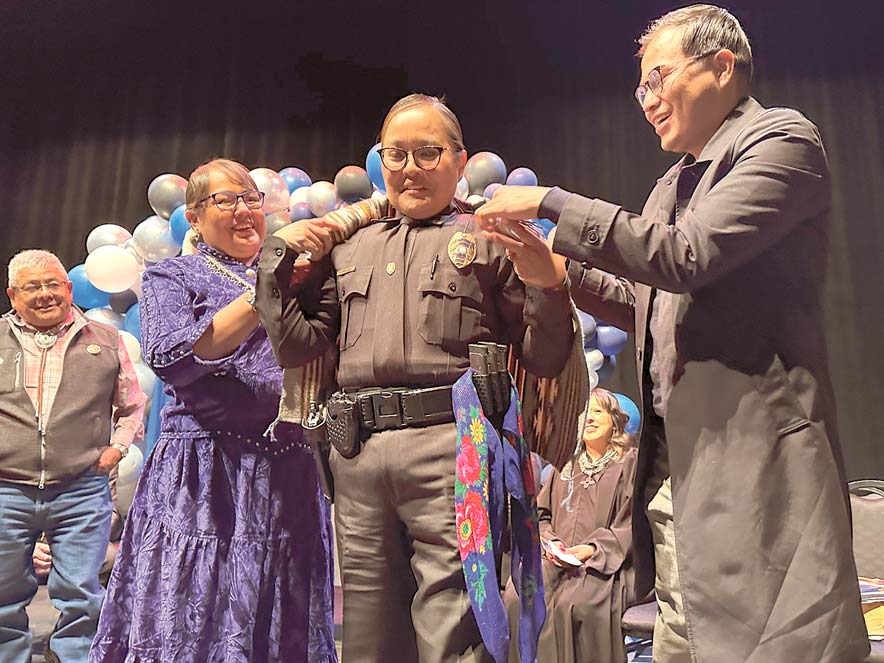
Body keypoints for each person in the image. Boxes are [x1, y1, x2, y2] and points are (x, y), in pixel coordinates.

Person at [476, 5, 869, 662]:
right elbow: (645, 300)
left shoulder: (782, 142)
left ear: (721, 67)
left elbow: (686, 256)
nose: (647, 101)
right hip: (676, 480)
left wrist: (550, 201)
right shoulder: (671, 184)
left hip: (755, 470)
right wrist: (559, 270)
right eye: (641, 88)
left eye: (657, 80)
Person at [257, 94, 575, 663]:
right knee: (367, 635)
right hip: (356, 455)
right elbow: (300, 346)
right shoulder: (349, 244)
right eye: (395, 155)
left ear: (459, 160)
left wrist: (548, 286)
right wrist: (276, 268)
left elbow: (543, 359)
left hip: (453, 452)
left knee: (452, 626)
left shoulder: (489, 240)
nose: (409, 168)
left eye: (427, 153)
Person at [89, 159, 336, 663]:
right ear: (195, 218)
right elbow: (174, 356)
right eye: (226, 200)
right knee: (194, 606)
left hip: (287, 467)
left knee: (283, 601)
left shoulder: (302, 278)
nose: (244, 209)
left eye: (251, 198)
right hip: (203, 475)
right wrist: (264, 289)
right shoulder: (170, 275)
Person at [0, 249, 146, 663]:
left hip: (82, 490)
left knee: (81, 597)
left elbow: (133, 406)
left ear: (68, 288)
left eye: (53, 284)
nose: (45, 294)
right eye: (32, 287)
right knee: (3, 596)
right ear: (13, 295)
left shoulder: (107, 339)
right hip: (6, 490)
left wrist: (118, 448)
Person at [505, 389, 637, 663]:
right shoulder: (565, 463)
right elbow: (540, 515)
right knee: (519, 593)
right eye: (584, 413)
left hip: (605, 563)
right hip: (556, 557)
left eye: (598, 412)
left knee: (575, 604)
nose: (588, 418)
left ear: (615, 421)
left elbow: (631, 522)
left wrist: (590, 550)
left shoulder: (628, 464)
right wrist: (550, 542)